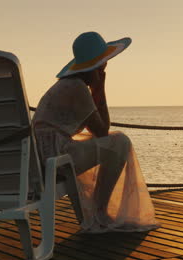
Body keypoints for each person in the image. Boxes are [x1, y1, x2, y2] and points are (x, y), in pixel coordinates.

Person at [32, 31, 159, 233]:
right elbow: (102, 130)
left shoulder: (68, 85)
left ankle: (99, 211)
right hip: (54, 158)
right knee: (120, 143)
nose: (105, 67)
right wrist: (100, 88)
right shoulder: (77, 88)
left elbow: (98, 128)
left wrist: (96, 88)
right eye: (103, 64)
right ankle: (100, 211)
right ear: (95, 67)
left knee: (114, 141)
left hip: (41, 156)